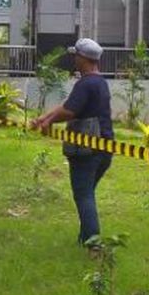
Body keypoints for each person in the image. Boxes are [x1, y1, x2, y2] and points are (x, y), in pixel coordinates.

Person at [32, 38, 113, 247]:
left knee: (84, 195)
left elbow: (70, 111)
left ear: (82, 58)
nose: (73, 59)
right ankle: (84, 237)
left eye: (75, 55)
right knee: (87, 193)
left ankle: (94, 244)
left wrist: (49, 120)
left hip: (87, 150)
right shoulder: (100, 82)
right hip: (105, 149)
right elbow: (68, 105)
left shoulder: (85, 84)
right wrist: (46, 118)